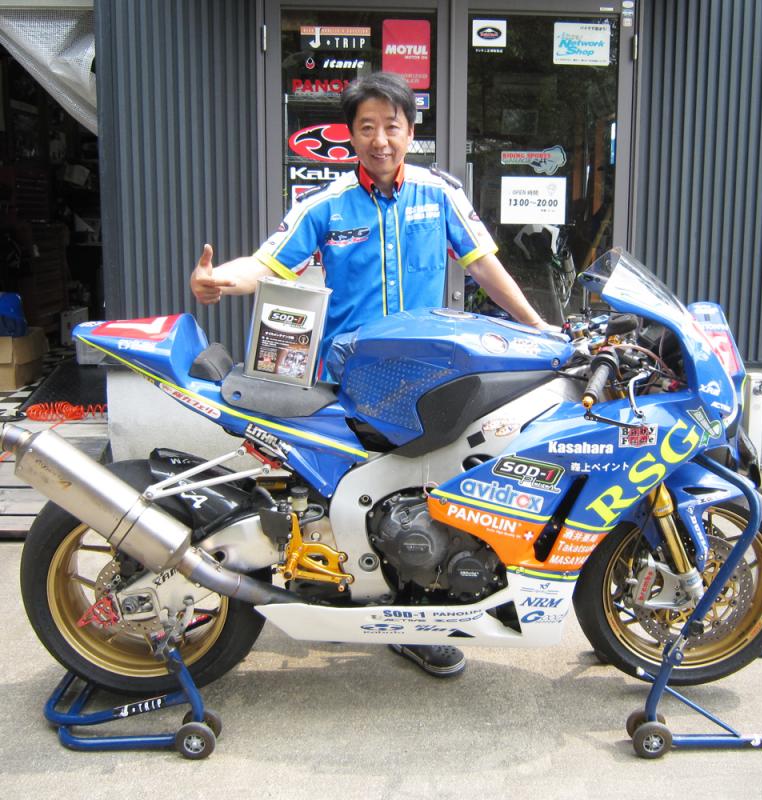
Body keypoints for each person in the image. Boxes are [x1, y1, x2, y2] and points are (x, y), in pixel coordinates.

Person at [191, 71, 557, 679]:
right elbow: (268, 262)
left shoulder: (439, 195)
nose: (380, 139)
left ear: (410, 132)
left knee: (436, 489)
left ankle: (422, 607)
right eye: (367, 127)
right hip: (356, 377)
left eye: (392, 126)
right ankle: (391, 608)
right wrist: (220, 281)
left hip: (428, 373)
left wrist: (537, 326)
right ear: (351, 135)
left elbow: (484, 266)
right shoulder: (327, 204)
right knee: (378, 493)